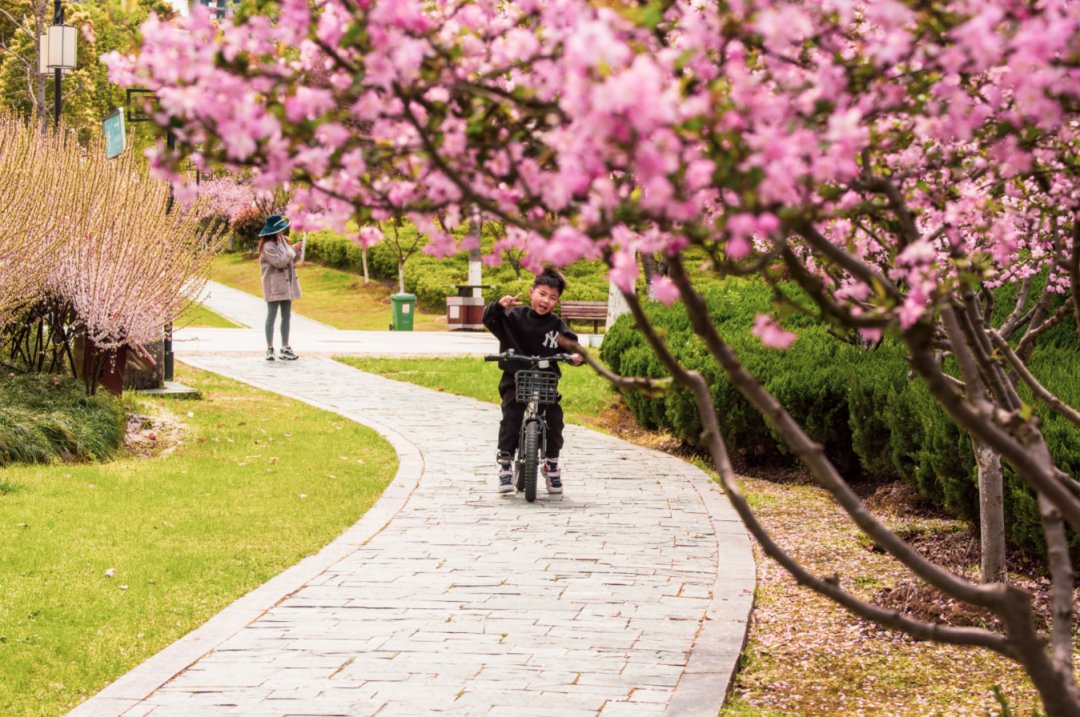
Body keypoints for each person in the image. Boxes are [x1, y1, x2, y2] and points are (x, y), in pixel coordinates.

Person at [482, 267, 583, 495]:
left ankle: (551, 465)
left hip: (545, 382)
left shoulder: (556, 326)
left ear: (557, 301)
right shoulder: (514, 318)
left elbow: (572, 345)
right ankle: (506, 464)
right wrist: (499, 306)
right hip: (515, 379)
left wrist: (576, 356)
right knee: (512, 415)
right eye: (542, 294)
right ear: (531, 292)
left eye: (553, 297)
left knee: (555, 419)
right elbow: (489, 319)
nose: (546, 300)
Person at [257, 214, 303, 361]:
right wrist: (292, 251)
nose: (282, 231)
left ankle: (285, 347)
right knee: (271, 316)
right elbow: (279, 262)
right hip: (274, 284)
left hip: (287, 282)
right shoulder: (267, 246)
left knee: (286, 316)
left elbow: (289, 259)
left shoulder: (283, 241)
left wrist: (295, 250)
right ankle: (270, 348)